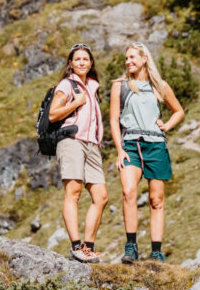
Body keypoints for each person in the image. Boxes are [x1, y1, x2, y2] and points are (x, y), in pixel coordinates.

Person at [109, 42, 184, 263]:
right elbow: (114, 119)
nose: (128, 61)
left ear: (144, 59)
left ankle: (156, 252)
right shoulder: (120, 86)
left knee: (156, 199)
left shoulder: (160, 86)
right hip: (130, 144)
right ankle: (131, 247)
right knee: (128, 191)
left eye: (133, 57)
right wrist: (119, 149)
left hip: (156, 145)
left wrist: (167, 125)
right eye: (126, 58)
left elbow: (178, 110)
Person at [49, 43, 108, 263]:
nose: (82, 62)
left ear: (91, 63)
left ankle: (88, 246)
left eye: (85, 59)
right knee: (73, 193)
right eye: (78, 59)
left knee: (101, 197)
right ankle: (76, 246)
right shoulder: (66, 84)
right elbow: (53, 115)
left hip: (92, 144)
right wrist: (76, 103)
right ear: (71, 64)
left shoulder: (93, 86)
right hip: (72, 142)